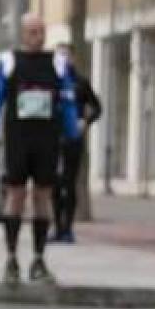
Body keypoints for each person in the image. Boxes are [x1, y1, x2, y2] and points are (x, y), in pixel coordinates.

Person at [0, 14, 63, 284]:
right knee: (16, 195)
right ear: (23, 35)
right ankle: (11, 258)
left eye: (41, 31)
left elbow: (69, 101)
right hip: (18, 139)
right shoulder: (8, 62)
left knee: (43, 197)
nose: (37, 37)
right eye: (32, 32)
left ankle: (39, 259)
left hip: (47, 141)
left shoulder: (58, 62)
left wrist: (72, 136)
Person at [50, 42, 102, 244]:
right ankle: (57, 226)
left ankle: (68, 229)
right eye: (58, 56)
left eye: (65, 55)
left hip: (73, 139)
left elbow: (97, 107)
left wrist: (85, 121)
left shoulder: (80, 82)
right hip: (53, 139)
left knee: (69, 183)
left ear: (72, 58)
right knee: (54, 184)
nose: (62, 60)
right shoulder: (49, 81)